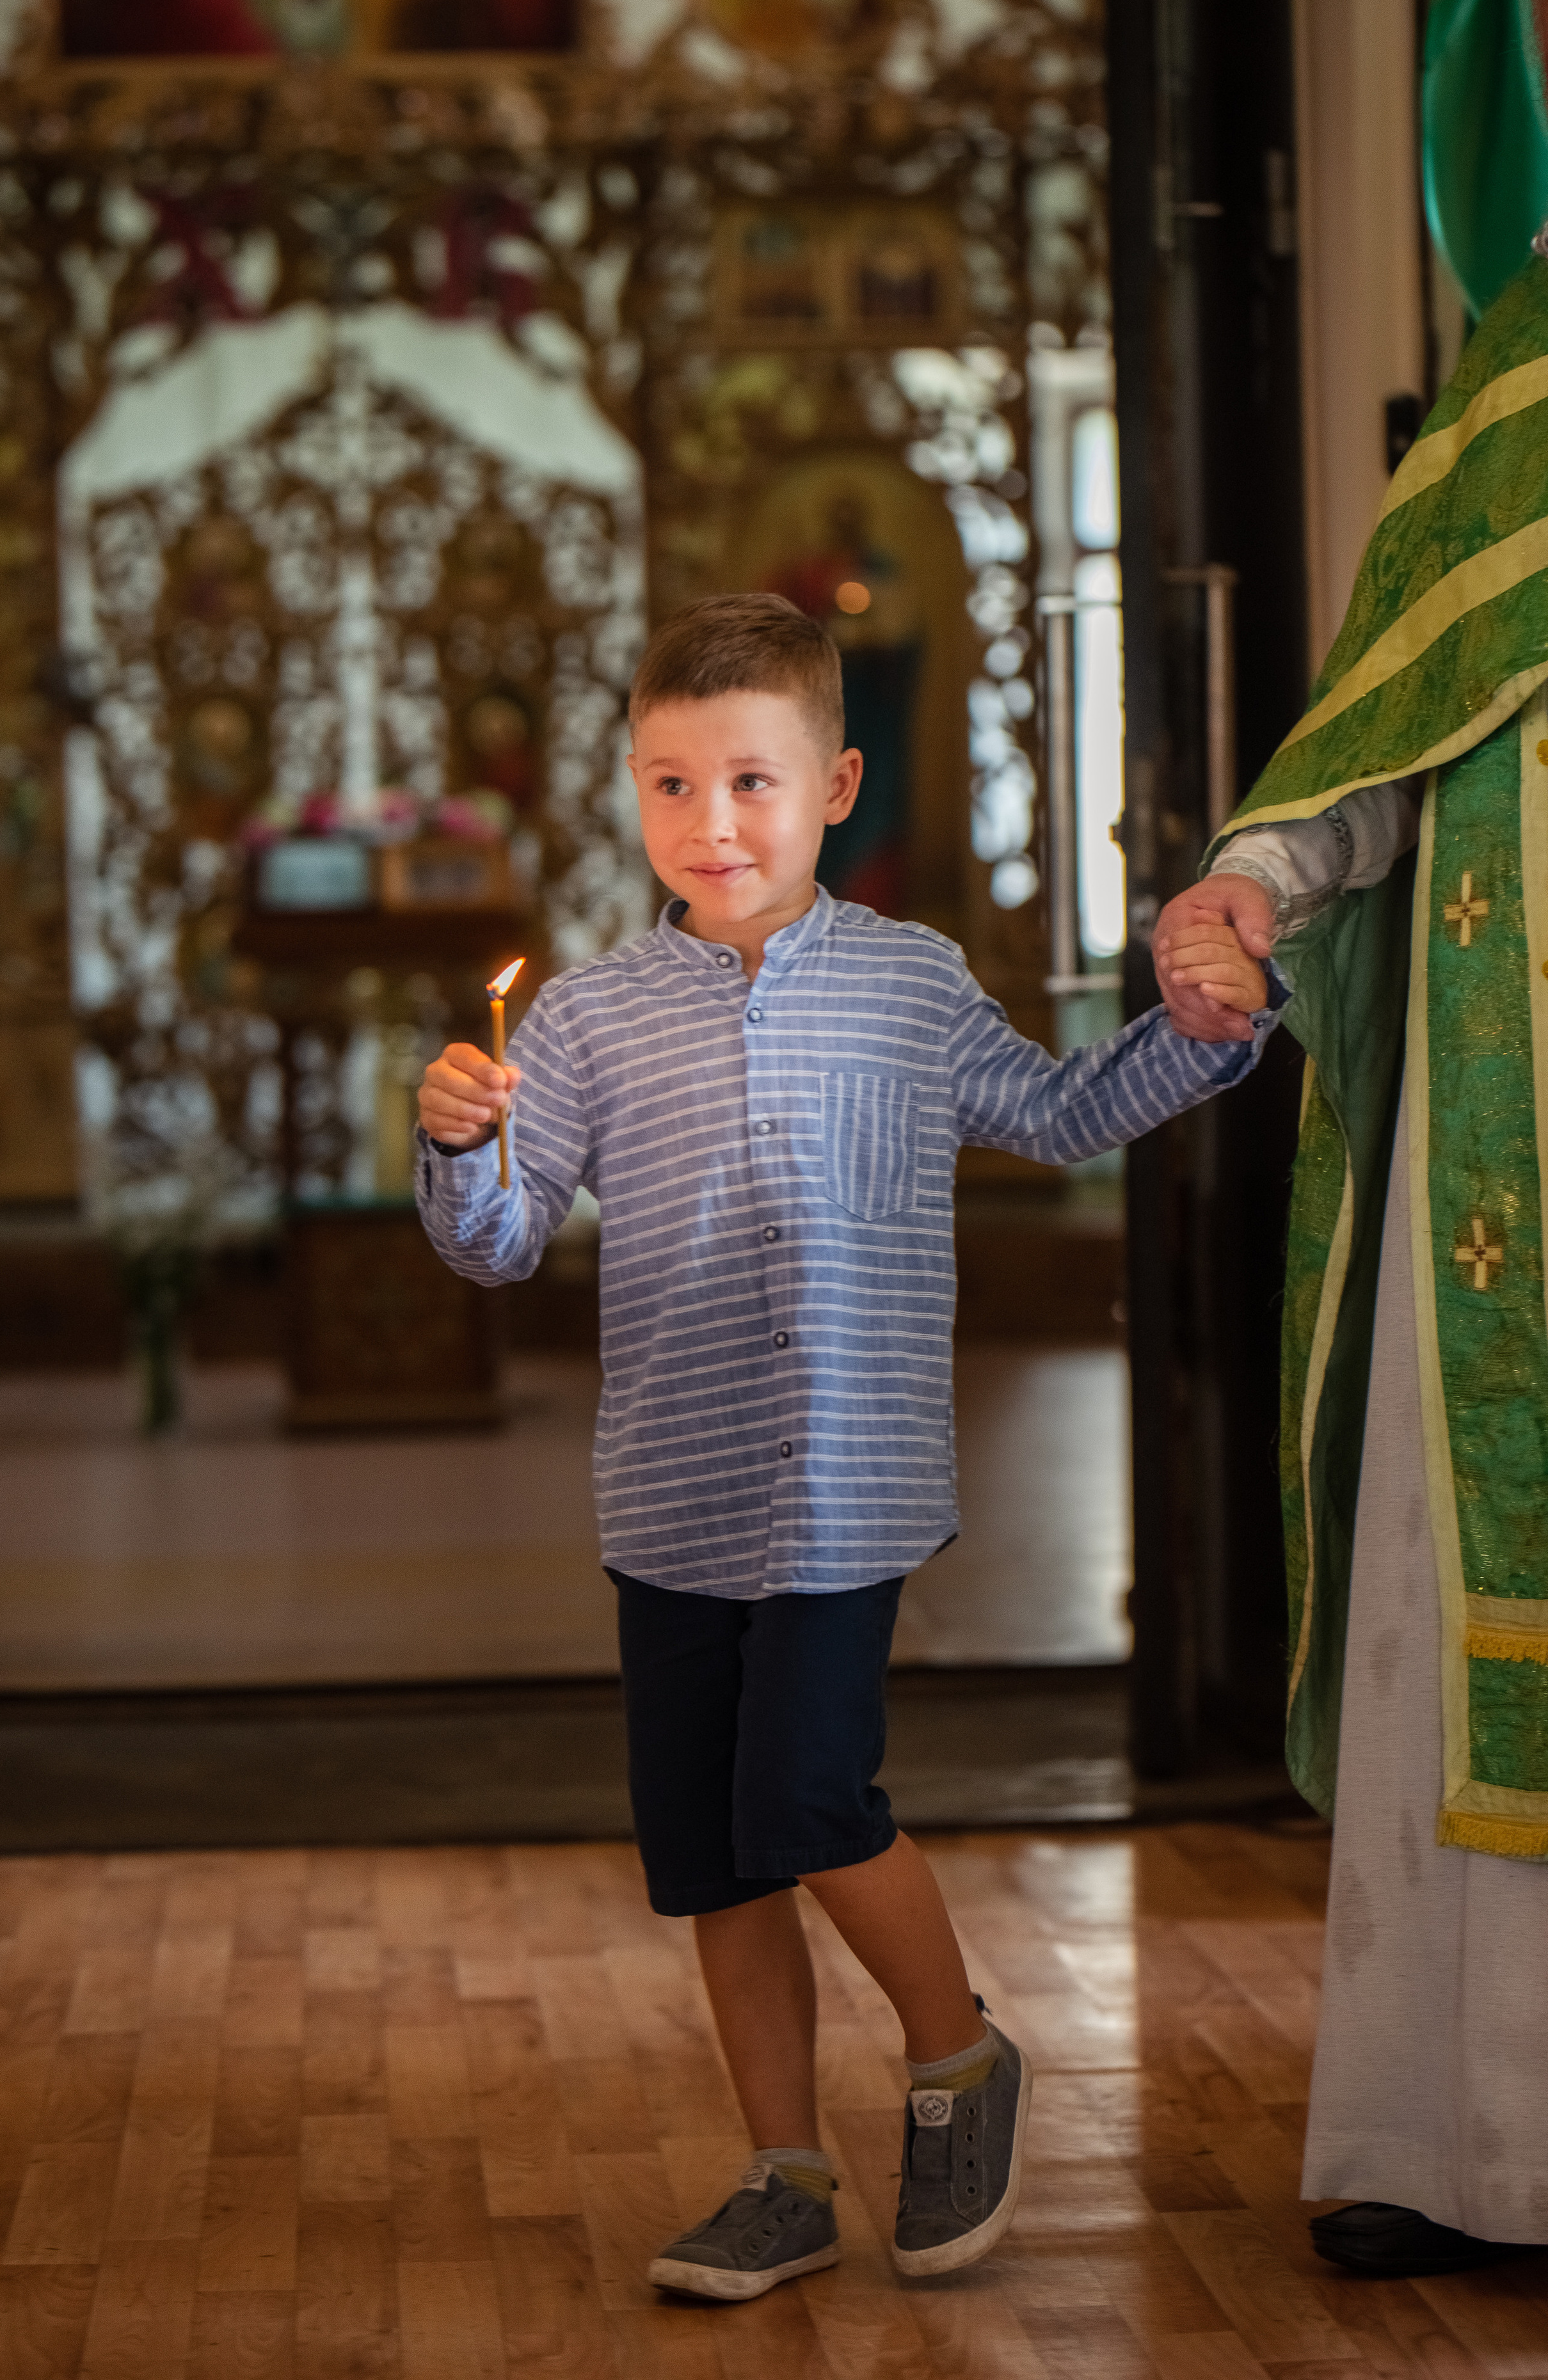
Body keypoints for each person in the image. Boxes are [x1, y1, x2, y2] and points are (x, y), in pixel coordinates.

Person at [417, 591, 1276, 2299]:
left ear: (835, 785)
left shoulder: (908, 982)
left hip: (841, 1482)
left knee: (812, 1800)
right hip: (669, 1492)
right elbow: (500, 1246)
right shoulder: (584, 1019)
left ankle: (958, 2052)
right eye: (669, 784)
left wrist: (1202, 1034)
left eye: (749, 780)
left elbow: (1050, 1110)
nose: (709, 822)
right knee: (716, 1854)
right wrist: (459, 1148)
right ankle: (784, 2170)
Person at [1150, 247, 1548, 2278]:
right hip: (1512, 1160)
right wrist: (1246, 875)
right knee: (1460, 1612)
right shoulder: (1513, 399)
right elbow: (1372, 747)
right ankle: (1460, 2141)